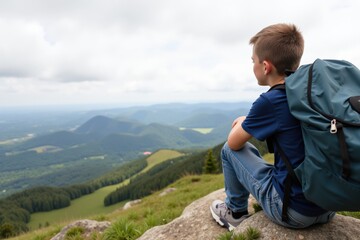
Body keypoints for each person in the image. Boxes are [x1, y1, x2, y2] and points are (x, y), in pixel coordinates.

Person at [210, 23, 335, 231]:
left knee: (229, 150)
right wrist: (250, 119)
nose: (253, 66)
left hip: (293, 212)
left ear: (266, 66)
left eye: (253, 61)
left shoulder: (270, 101)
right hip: (328, 205)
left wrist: (245, 121)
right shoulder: (311, 93)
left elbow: (234, 143)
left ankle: (235, 212)